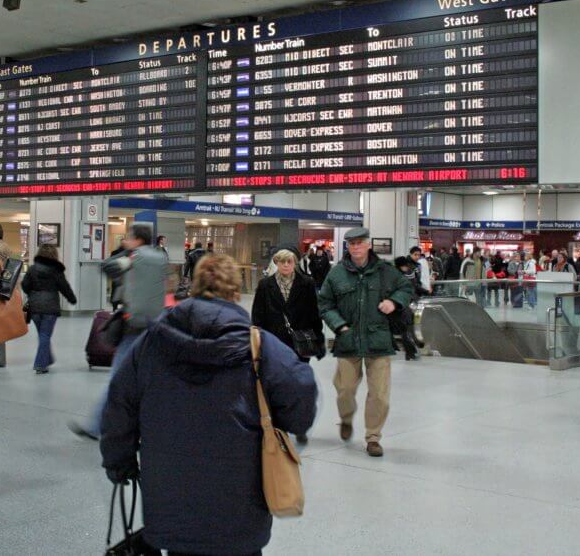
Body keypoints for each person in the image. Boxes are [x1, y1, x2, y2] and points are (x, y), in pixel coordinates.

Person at [101, 253, 316, 556]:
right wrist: (286, 424)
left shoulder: (151, 343)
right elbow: (301, 391)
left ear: (195, 287)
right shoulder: (258, 346)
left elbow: (119, 405)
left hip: (170, 492)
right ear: (235, 292)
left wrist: (118, 462)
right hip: (241, 493)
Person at [318, 227, 414, 457]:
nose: (356, 247)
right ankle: (346, 418)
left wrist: (394, 301)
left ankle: (373, 437)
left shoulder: (385, 271)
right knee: (345, 390)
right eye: (352, 244)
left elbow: (406, 287)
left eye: (360, 243)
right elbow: (325, 304)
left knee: (379, 394)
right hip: (348, 339)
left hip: (378, 339)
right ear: (348, 247)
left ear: (369, 244)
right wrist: (339, 325)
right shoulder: (337, 273)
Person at [72, 223, 166, 440]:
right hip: (155, 325)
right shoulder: (160, 257)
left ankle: (96, 425)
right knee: (150, 379)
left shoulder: (134, 258)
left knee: (117, 379)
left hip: (133, 327)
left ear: (137, 239)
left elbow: (108, 266)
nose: (125, 240)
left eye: (128, 237)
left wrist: (128, 251)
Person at [251, 247, 324, 369]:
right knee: (275, 377)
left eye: (289, 261)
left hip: (300, 340)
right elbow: (258, 314)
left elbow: (314, 313)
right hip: (273, 340)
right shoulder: (265, 285)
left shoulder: (307, 284)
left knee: (298, 377)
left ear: (295, 262)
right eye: (282, 261)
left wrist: (318, 339)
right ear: (276, 263)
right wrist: (260, 339)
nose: (285, 265)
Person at [21, 243, 77, 374]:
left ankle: (48, 359)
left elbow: (25, 285)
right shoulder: (56, 270)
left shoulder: (32, 269)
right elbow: (64, 287)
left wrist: (32, 293)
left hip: (34, 307)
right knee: (45, 335)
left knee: (43, 335)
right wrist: (72, 299)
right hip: (50, 307)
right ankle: (40, 365)